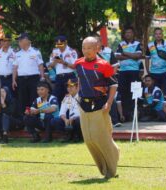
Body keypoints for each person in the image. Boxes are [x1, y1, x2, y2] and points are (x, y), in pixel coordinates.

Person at [69, 36, 119, 179]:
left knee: (101, 138)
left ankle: (111, 168)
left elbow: (113, 85)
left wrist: (109, 103)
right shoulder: (78, 63)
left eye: (89, 48)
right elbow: (80, 80)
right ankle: (104, 169)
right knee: (89, 139)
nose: (86, 51)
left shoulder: (104, 64)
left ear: (97, 48)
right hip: (84, 104)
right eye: (84, 48)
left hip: (100, 104)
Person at [12, 33, 45, 113]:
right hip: (21, 80)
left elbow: (40, 65)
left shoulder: (36, 52)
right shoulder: (17, 54)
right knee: (22, 100)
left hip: (33, 79)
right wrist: (13, 80)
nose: (19, 43)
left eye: (20, 41)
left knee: (34, 99)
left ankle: (35, 119)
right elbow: (15, 68)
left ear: (26, 41)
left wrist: (42, 77)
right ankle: (25, 121)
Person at [116, 26, 143, 121]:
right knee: (123, 92)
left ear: (133, 34)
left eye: (130, 32)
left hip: (134, 71)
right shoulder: (121, 44)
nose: (128, 34)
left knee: (135, 92)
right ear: (124, 34)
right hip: (123, 72)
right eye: (126, 32)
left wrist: (125, 53)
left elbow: (138, 55)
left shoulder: (137, 44)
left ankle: (135, 114)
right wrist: (132, 56)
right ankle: (125, 115)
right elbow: (118, 56)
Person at [96, 36, 121, 127]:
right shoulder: (91, 53)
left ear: (101, 42)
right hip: (97, 81)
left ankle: (115, 121)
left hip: (109, 79)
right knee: (98, 99)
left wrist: (110, 76)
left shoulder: (108, 51)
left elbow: (115, 65)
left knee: (111, 99)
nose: (96, 44)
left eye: (98, 42)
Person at [49, 35, 77, 106]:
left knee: (70, 97)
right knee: (55, 96)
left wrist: (63, 62)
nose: (59, 46)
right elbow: (50, 66)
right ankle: (59, 115)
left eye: (61, 44)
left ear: (65, 43)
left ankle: (70, 115)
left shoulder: (72, 51)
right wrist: (55, 61)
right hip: (59, 77)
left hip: (69, 76)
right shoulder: (55, 51)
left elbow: (74, 66)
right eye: (57, 44)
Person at [145, 27, 166, 92]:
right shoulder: (150, 45)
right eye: (156, 34)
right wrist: (147, 70)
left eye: (160, 34)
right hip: (153, 73)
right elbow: (146, 58)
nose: (158, 35)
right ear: (154, 35)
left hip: (165, 72)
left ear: (162, 35)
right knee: (155, 92)